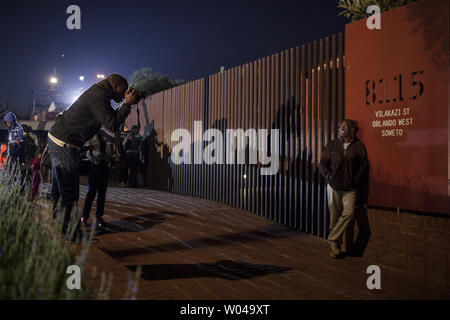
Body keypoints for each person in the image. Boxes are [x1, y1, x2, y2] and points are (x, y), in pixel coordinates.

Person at [47, 74, 139, 240]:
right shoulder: (98, 96)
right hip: (65, 143)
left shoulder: (99, 94)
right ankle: (71, 233)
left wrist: (125, 104)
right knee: (69, 191)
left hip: (58, 139)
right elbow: (112, 124)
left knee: (59, 190)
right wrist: (127, 104)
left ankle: (61, 227)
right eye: (122, 90)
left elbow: (111, 118)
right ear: (115, 85)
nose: (123, 93)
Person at [319, 119, 368, 258]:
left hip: (350, 188)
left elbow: (363, 167)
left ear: (353, 129)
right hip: (333, 187)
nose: (342, 128)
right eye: (340, 125)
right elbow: (323, 163)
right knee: (334, 218)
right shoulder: (333, 144)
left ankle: (332, 238)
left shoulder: (359, 146)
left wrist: (355, 180)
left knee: (349, 213)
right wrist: (328, 177)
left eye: (345, 126)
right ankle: (335, 247)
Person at [81, 131, 110, 228]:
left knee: (102, 193)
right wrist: (102, 156)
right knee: (91, 192)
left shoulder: (102, 134)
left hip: (103, 166)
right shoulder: (88, 133)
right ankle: (84, 216)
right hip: (94, 166)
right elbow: (87, 152)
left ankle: (99, 216)